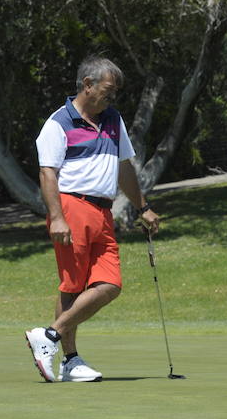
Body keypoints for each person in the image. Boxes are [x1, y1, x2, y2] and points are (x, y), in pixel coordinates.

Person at [25, 56, 160, 382]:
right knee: (72, 285)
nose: (112, 98)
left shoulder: (113, 120)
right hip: (71, 208)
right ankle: (70, 360)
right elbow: (47, 173)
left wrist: (142, 207)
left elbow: (124, 167)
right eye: (108, 91)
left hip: (102, 212)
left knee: (110, 285)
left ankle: (50, 335)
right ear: (87, 84)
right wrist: (57, 217)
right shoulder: (58, 123)